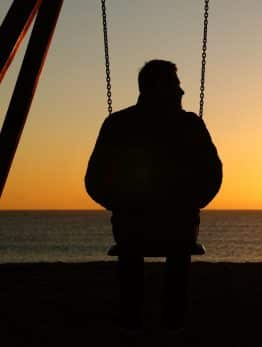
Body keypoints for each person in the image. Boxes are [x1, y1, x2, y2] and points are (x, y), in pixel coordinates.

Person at [84, 59, 222, 335]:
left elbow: (94, 181)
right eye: (176, 86)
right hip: (178, 225)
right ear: (158, 87)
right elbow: (213, 175)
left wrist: (121, 203)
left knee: (131, 250)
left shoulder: (118, 123)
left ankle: (131, 323)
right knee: (179, 246)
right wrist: (192, 202)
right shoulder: (190, 125)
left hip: (131, 226)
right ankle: (173, 325)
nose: (182, 93)